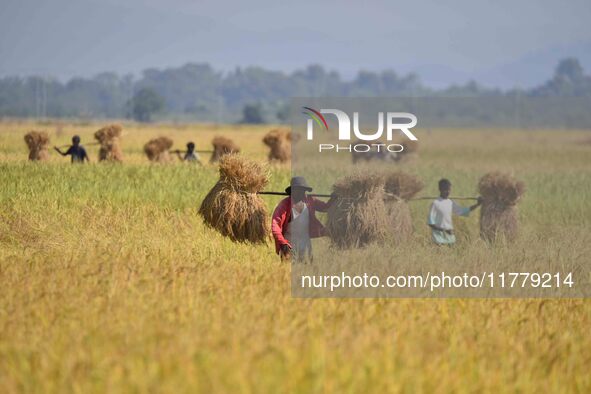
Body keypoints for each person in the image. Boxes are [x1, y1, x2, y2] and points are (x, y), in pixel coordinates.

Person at [271, 177, 332, 262]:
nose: (301, 193)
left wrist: (333, 199)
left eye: (303, 190)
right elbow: (275, 227)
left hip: (306, 244)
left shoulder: (310, 201)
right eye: (298, 190)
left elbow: (325, 207)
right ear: (292, 191)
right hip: (289, 245)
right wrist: (283, 243)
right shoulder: (284, 205)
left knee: (306, 272)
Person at [427, 178, 482, 245]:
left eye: (449, 190)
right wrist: (445, 231)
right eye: (445, 190)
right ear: (440, 190)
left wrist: (477, 204)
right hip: (439, 239)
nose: (448, 192)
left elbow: (463, 211)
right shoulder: (435, 203)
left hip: (450, 238)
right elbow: (431, 223)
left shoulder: (450, 202)